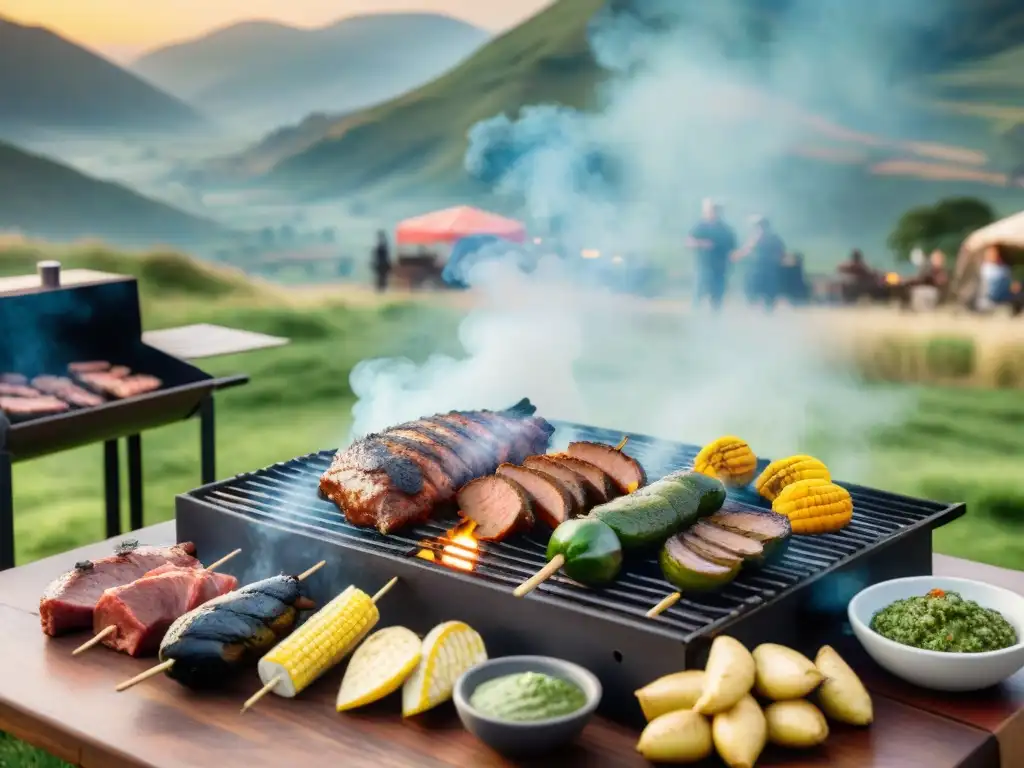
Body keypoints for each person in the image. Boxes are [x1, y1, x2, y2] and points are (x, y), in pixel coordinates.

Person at [686, 199, 737, 311]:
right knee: (698, 295)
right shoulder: (700, 226)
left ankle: (715, 320)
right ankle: (696, 316)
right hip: (703, 267)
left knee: (717, 298)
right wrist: (701, 244)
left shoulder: (725, 229)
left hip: (720, 268)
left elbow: (732, 250)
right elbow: (689, 242)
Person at [734, 216, 786, 311]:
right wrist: (738, 255)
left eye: (760, 226)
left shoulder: (772, 238)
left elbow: (780, 253)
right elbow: (747, 250)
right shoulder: (755, 238)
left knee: (768, 292)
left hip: (768, 269)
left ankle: (767, 309)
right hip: (758, 268)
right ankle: (758, 308)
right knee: (753, 291)